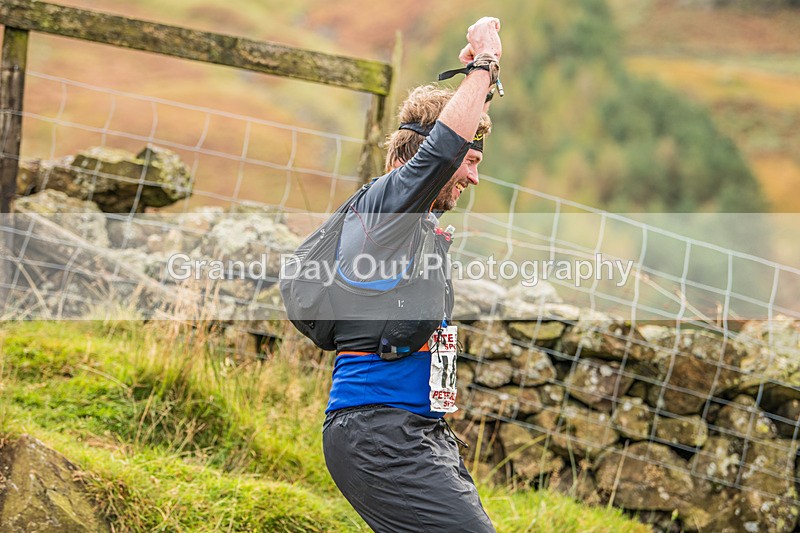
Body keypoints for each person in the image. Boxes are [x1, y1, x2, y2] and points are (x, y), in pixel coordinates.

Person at [322, 16, 502, 533]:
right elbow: (442, 149)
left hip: (415, 431)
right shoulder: (389, 207)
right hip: (378, 434)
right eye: (468, 161)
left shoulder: (411, 218)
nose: (473, 176)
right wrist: (486, 62)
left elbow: (446, 147)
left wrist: (477, 87)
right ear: (426, 155)